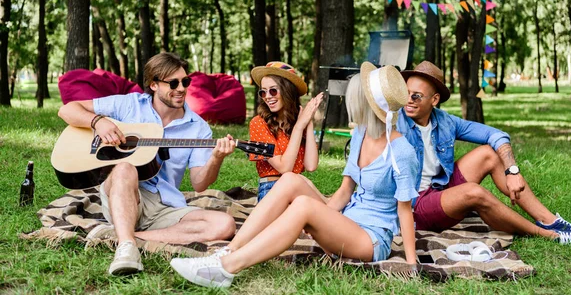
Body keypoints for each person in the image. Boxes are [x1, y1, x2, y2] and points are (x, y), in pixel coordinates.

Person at [170, 62, 420, 288]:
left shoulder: (402, 152)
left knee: (303, 206)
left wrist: (411, 264)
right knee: (290, 180)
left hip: (371, 239)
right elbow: (345, 191)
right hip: (347, 221)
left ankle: (227, 268)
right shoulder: (360, 135)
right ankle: (227, 252)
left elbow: (404, 210)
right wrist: (325, 222)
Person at [57, 52, 237, 276]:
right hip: (124, 192)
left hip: (166, 206)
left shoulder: (198, 128)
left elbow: (199, 184)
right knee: (125, 167)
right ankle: (126, 251)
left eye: (185, 81)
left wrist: (216, 157)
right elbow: (67, 109)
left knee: (225, 225)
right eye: (173, 83)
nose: (181, 88)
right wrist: (98, 122)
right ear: (153, 85)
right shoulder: (129, 105)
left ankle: (122, 237)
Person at [397, 60, 571, 244]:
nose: (409, 100)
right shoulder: (395, 122)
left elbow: (496, 135)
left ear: (434, 100)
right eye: (405, 93)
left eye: (416, 96)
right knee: (474, 193)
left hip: (439, 188)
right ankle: (551, 236)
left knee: (489, 154)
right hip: (414, 205)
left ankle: (549, 221)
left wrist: (512, 171)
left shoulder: (445, 121)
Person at [248, 61, 323, 201]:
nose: (267, 96)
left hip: (299, 190)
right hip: (272, 190)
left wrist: (309, 122)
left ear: (287, 91)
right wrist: (299, 127)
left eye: (273, 90)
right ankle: (331, 206)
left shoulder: (297, 121)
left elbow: (311, 165)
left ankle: (331, 207)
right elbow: (284, 167)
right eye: (263, 92)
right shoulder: (258, 123)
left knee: (303, 187)